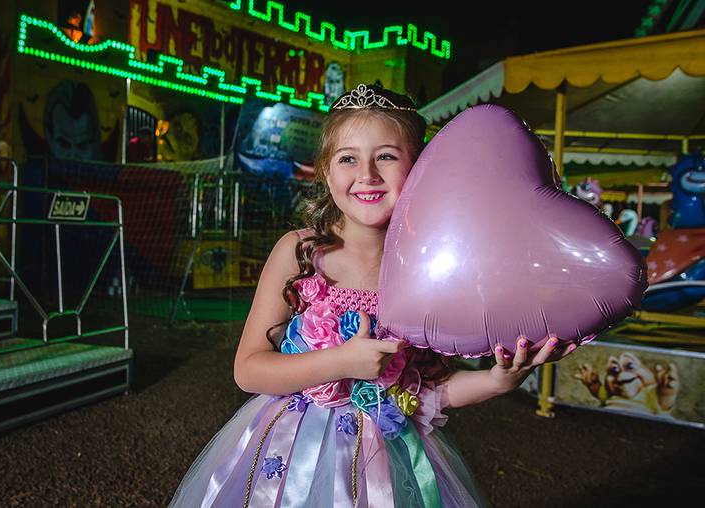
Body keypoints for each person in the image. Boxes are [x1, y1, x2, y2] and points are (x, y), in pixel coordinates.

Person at [169, 84, 580, 507]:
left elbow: (429, 391)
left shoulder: (428, 270)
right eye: (348, 158)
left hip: (388, 465)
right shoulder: (299, 253)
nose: (367, 174)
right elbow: (248, 370)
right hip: (293, 459)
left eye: (386, 155)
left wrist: (497, 380)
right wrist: (341, 362)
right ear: (326, 173)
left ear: (418, 170)